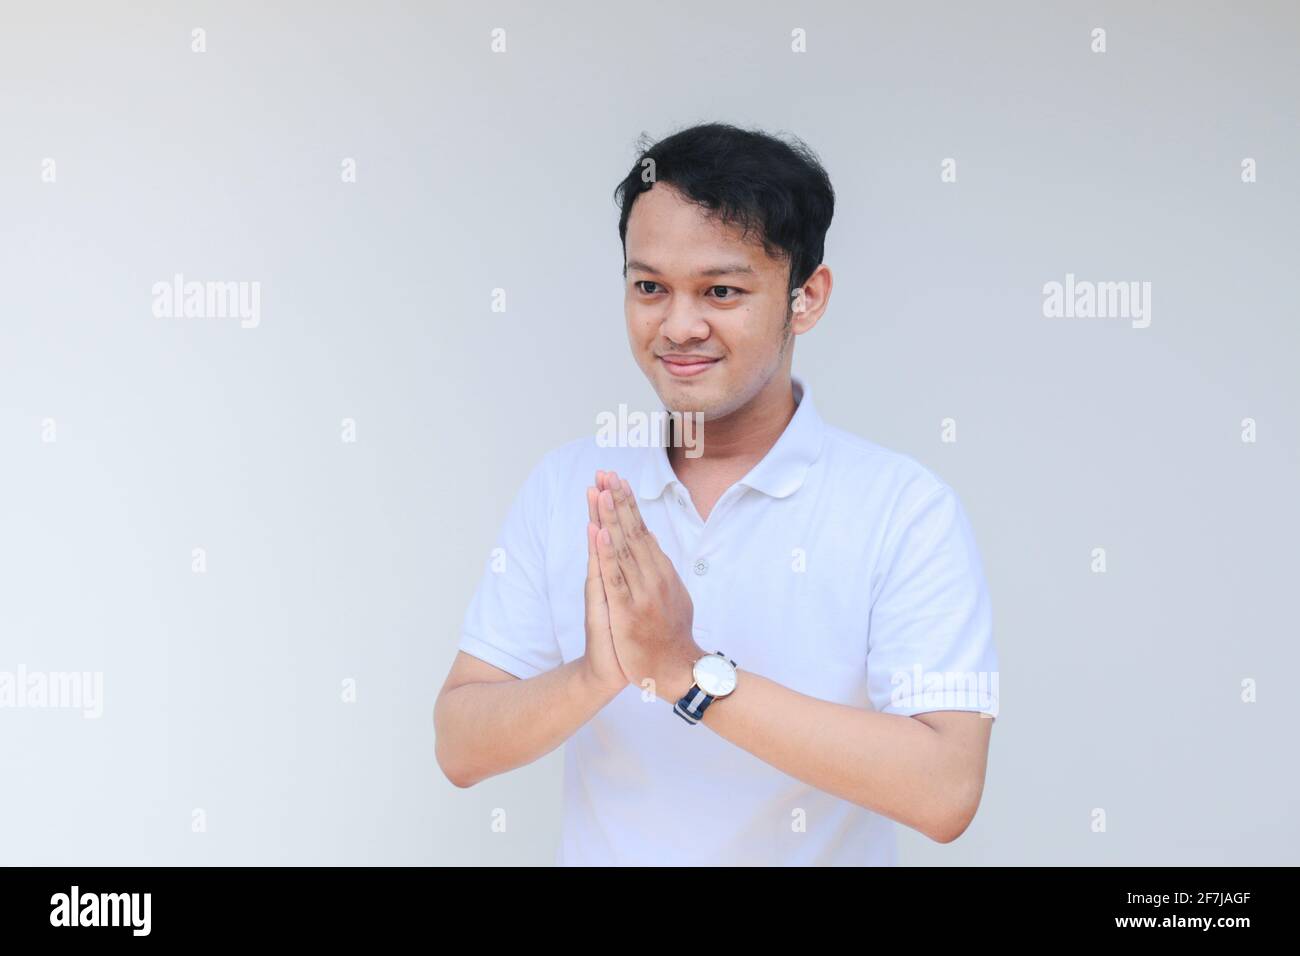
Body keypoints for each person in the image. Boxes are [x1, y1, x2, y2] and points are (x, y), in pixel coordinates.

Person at [435, 122, 999, 865]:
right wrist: (596, 675)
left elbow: (945, 789)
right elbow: (459, 743)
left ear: (807, 298)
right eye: (649, 288)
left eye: (721, 290)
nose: (679, 325)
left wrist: (688, 671)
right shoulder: (570, 486)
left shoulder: (903, 509)